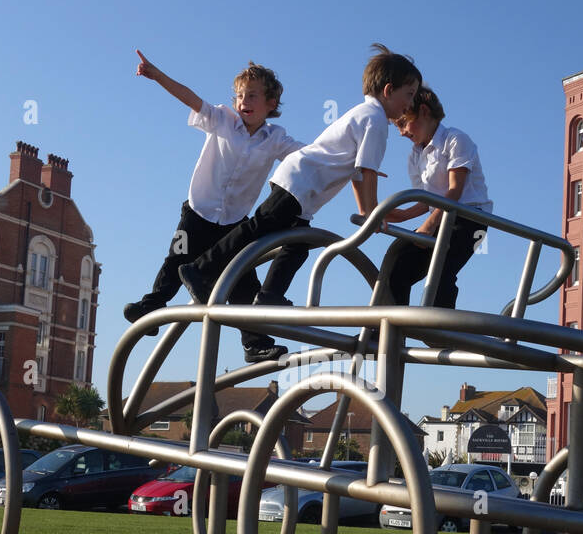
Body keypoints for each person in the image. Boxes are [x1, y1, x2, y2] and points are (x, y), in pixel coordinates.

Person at [180, 44, 422, 364]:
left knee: (297, 245)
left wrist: (371, 212)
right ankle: (199, 269)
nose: (410, 103)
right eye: (409, 94)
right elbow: (366, 171)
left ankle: (268, 296)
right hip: (299, 181)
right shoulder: (375, 121)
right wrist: (369, 212)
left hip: (303, 186)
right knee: (259, 229)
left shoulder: (365, 115)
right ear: (389, 90)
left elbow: (358, 175)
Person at [122, 50, 304, 335]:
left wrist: (349, 163)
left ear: (271, 103)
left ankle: (255, 340)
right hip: (198, 210)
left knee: (243, 278)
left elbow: (308, 156)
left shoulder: (275, 139)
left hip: (233, 221)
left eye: (252, 95)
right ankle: (152, 305)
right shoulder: (222, 119)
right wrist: (157, 75)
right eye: (240, 95)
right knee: (177, 258)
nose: (244, 101)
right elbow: (190, 98)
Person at [381, 86, 491, 308]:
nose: (401, 132)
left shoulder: (455, 139)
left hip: (470, 220)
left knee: (441, 270)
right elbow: (427, 200)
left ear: (423, 111)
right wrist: (401, 215)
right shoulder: (415, 155)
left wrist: (429, 226)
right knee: (397, 262)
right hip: (442, 218)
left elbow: (455, 190)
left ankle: (442, 333)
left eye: (403, 122)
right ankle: (386, 330)